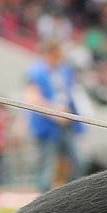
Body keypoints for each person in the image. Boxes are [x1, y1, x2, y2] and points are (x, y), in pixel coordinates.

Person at [25, 46, 82, 187]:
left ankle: (73, 196)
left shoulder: (63, 71)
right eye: (58, 55)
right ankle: (43, 201)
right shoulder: (36, 72)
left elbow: (68, 95)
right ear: (50, 54)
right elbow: (33, 99)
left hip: (66, 124)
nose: (60, 59)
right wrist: (55, 113)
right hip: (47, 126)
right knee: (47, 167)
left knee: (77, 161)